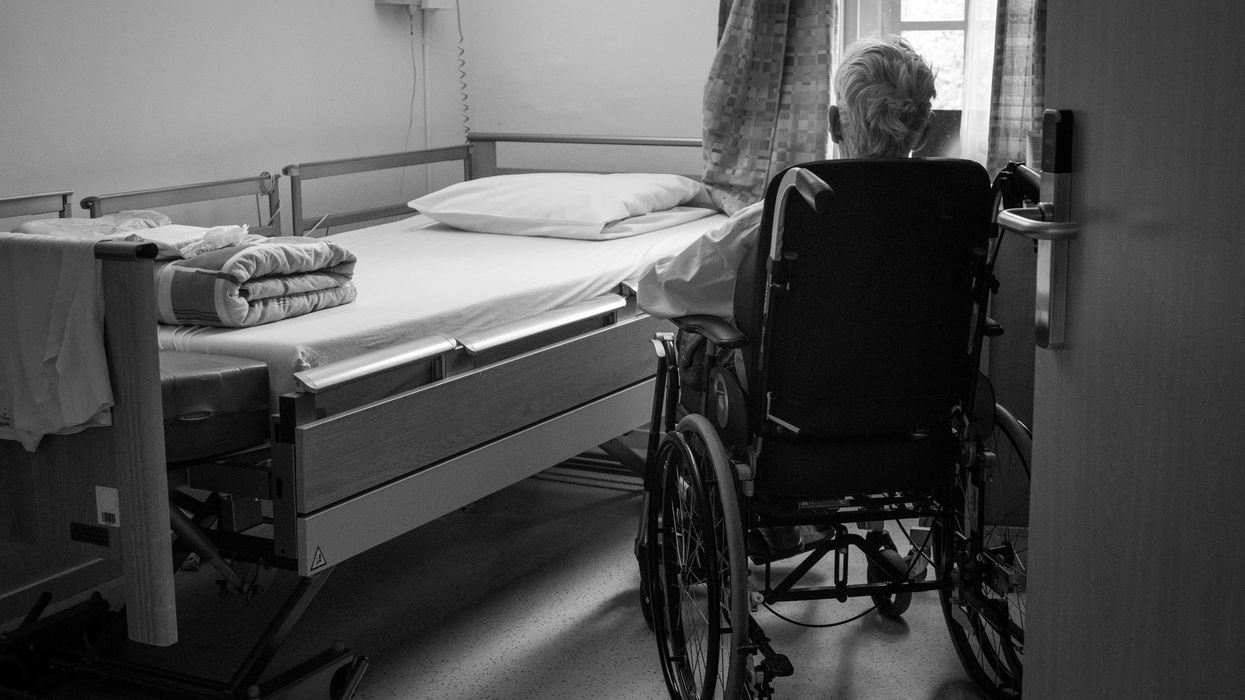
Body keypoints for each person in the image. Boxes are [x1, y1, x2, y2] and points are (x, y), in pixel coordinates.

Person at [638, 36, 938, 563]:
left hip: (799, 417)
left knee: (697, 342)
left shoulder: (790, 211)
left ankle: (765, 516)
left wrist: (648, 279)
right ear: (926, 127)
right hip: (913, 413)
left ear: (834, 121)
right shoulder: (948, 213)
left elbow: (669, 286)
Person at [637, 35, 937, 321]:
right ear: (923, 133)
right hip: (926, 374)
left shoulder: (784, 215)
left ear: (834, 124)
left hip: (807, 374)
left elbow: (662, 287)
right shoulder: (950, 209)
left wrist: (653, 271)